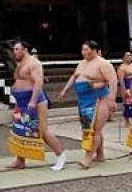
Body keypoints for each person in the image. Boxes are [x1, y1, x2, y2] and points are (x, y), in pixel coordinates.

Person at [6, 39, 67, 171]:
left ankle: (61, 155)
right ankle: (20, 160)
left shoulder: (34, 63)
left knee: (43, 131)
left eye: (17, 49)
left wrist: (33, 101)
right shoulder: (20, 63)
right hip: (21, 103)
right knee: (19, 130)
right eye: (14, 50)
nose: (14, 52)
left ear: (25, 50)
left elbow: (38, 82)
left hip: (35, 101)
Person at [58, 40, 117, 168]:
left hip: (100, 98)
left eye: (86, 49)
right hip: (83, 99)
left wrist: (112, 99)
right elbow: (74, 77)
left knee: (95, 128)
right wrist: (65, 90)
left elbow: (112, 81)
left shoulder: (103, 63)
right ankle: (100, 154)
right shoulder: (82, 63)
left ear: (95, 50)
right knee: (90, 127)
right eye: (82, 50)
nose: (83, 52)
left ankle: (88, 157)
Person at [116, 51, 132, 127]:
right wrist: (124, 90)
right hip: (127, 87)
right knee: (127, 105)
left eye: (130, 55)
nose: (130, 57)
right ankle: (126, 121)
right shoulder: (122, 68)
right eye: (128, 55)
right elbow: (121, 81)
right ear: (123, 58)